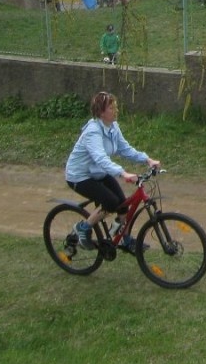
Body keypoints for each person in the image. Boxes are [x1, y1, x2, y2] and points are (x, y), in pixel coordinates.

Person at [64, 91, 160, 252]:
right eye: (111, 108)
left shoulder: (113, 127)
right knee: (110, 202)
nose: (116, 110)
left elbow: (125, 149)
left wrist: (147, 159)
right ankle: (83, 228)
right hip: (79, 176)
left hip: (98, 173)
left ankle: (125, 239)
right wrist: (123, 173)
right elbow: (100, 158)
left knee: (122, 204)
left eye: (115, 106)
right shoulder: (93, 131)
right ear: (101, 112)